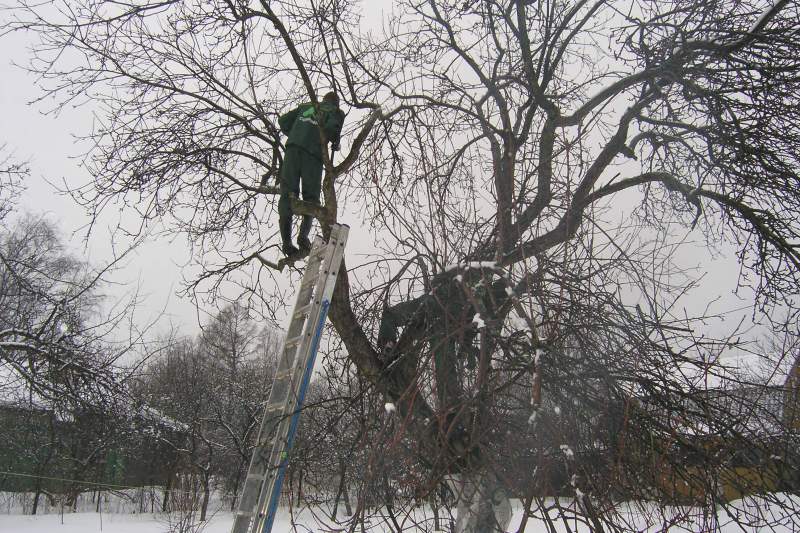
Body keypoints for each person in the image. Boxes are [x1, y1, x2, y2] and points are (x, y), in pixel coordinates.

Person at [277, 91, 345, 257]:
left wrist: (297, 134)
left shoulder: (307, 106)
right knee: (311, 197)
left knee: (287, 195)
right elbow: (331, 129)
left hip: (292, 150)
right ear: (335, 104)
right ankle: (302, 237)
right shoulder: (334, 112)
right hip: (313, 155)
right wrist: (335, 141)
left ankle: (286, 243)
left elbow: (283, 121)